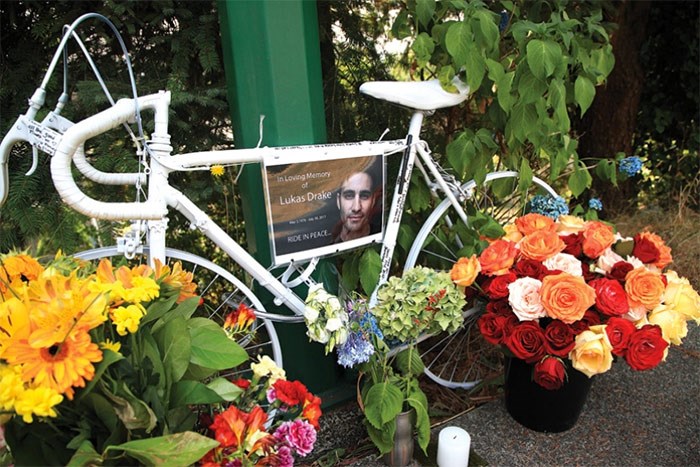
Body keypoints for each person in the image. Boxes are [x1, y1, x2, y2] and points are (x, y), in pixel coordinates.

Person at [331, 170, 380, 243]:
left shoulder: (381, 236)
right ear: (338, 201)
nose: (356, 208)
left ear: (373, 201)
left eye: (364, 196)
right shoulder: (325, 248)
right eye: (349, 196)